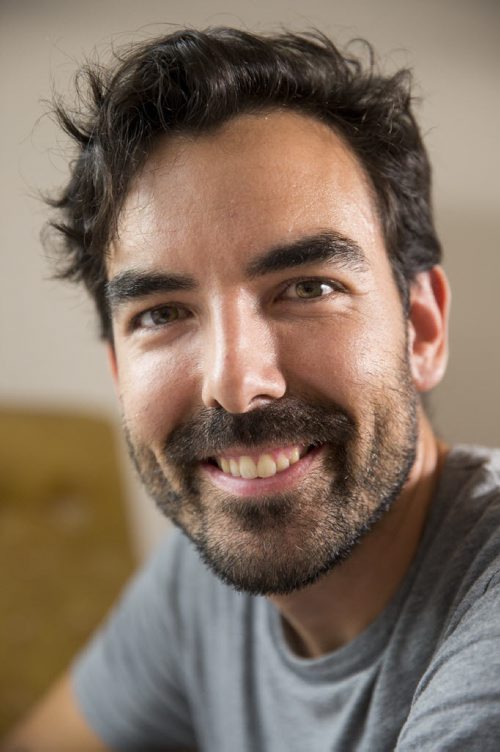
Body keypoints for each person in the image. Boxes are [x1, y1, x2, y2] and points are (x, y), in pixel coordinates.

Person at [3, 27, 500, 752]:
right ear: (118, 373)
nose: (236, 385)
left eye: (308, 287)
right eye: (163, 314)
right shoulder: (204, 575)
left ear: (421, 330)